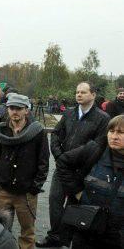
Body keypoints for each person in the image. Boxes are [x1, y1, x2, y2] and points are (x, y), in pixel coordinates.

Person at [37, 82, 110, 248]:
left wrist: (67, 158)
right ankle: (55, 236)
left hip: (83, 170)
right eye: (77, 92)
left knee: (74, 205)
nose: (79, 95)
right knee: (54, 202)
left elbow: (96, 147)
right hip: (62, 168)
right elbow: (56, 135)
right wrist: (59, 156)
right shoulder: (69, 113)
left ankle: (67, 238)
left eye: (83, 92)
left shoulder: (102, 118)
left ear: (93, 94)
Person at [0, 94, 49, 249]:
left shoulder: (37, 131)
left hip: (26, 192)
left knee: (27, 232)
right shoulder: (0, 130)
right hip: (3, 189)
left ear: (26, 111)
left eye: (19, 108)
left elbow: (43, 161)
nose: (14, 111)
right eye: (11, 108)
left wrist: (35, 187)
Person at [69, 115, 124, 249]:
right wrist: (77, 191)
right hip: (87, 227)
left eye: (121, 132)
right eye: (111, 131)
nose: (114, 136)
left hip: (117, 234)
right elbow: (63, 164)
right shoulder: (95, 151)